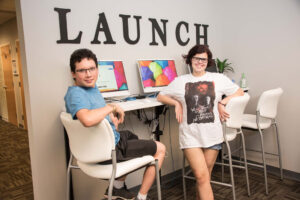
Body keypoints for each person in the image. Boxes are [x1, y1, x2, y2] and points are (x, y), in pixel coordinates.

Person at [64, 48, 166, 200]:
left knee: (132, 136)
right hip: (106, 151)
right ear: (73, 73)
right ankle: (141, 197)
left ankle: (117, 188)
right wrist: (111, 107)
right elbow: (87, 120)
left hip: (105, 142)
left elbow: (96, 112)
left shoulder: (91, 88)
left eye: (92, 69)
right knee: (160, 149)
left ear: (97, 69)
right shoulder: (76, 94)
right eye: (82, 70)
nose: (89, 74)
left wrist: (111, 122)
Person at [157, 45, 244, 200]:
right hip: (191, 137)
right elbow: (160, 96)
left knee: (204, 178)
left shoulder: (218, 78)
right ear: (190, 59)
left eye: (203, 59)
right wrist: (176, 103)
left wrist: (222, 102)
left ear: (208, 61)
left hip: (213, 135)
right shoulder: (180, 81)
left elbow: (239, 91)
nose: (200, 62)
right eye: (197, 58)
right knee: (202, 177)